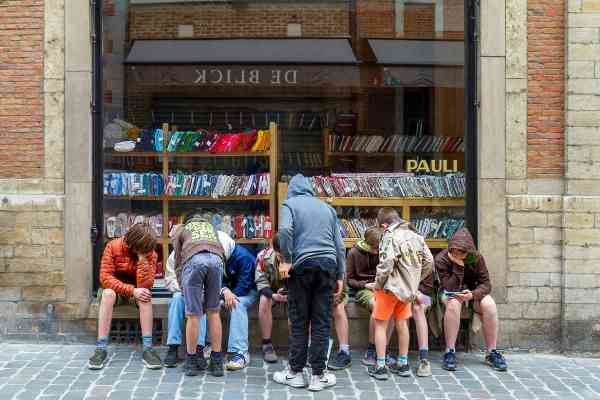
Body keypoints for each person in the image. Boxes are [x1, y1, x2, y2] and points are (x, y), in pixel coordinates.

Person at [273, 174, 345, 392]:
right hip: (327, 265)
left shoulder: (290, 205)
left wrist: (286, 260)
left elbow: (285, 231)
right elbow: (339, 245)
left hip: (302, 266)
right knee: (321, 322)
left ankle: (295, 373)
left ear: (291, 190)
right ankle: (318, 375)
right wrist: (340, 275)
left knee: (299, 320)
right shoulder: (327, 209)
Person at [368, 208, 433, 380]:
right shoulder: (417, 236)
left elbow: (387, 262)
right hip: (408, 289)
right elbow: (429, 262)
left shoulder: (389, 236)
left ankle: (380, 365)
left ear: (384, 225)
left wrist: (378, 284)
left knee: (381, 324)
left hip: (389, 288)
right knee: (402, 324)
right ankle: (403, 363)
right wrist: (415, 279)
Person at [88, 223, 162, 370]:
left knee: (145, 296)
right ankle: (101, 348)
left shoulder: (150, 253)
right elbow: (105, 278)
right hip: (115, 290)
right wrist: (131, 290)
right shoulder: (113, 246)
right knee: (107, 294)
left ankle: (148, 348)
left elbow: (146, 284)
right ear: (133, 243)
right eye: (143, 249)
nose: (148, 252)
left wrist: (142, 261)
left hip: (136, 290)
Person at [436, 228, 508, 372]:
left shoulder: (476, 258)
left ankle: (491, 352)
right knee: (453, 304)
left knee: (490, 304)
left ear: (468, 251)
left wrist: (473, 294)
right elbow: (449, 286)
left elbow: (486, 284)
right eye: (454, 250)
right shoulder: (442, 259)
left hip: (471, 293)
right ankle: (450, 351)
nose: (457, 254)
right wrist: (458, 265)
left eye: (461, 252)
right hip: (449, 292)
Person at [162, 231, 234, 368]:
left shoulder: (204, 252)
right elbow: (170, 279)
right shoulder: (174, 256)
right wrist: (185, 290)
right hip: (181, 292)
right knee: (176, 300)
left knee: (200, 303)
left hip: (200, 292)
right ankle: (173, 347)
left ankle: (199, 348)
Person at [172, 214, 225, 377]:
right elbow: (221, 252)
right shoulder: (211, 228)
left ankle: (191, 362)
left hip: (194, 261)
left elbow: (178, 261)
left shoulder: (182, 229)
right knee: (214, 312)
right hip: (216, 261)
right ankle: (216, 363)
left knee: (193, 315)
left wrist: (183, 287)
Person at [255, 233, 287, 363]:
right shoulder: (263, 257)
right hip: (272, 291)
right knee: (264, 300)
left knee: (300, 303)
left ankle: (298, 344)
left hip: (292, 291)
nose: (283, 259)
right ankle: (267, 344)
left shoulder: (298, 256)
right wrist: (274, 295)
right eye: (280, 256)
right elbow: (261, 282)